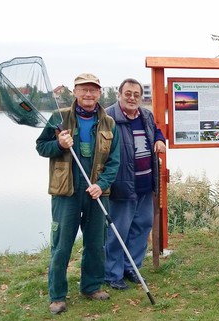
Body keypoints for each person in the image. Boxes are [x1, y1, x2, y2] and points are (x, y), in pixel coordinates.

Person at [36, 73, 120, 314]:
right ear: (75, 91)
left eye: (93, 90)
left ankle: (91, 286)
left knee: (95, 243)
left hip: (96, 193)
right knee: (62, 245)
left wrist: (101, 185)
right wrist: (59, 145)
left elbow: (114, 161)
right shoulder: (59, 117)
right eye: (83, 89)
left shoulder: (108, 123)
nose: (88, 94)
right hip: (66, 192)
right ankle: (57, 295)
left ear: (100, 93)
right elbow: (41, 147)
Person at [104, 78, 166, 290]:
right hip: (121, 186)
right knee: (118, 231)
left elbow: (156, 131)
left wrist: (160, 140)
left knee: (142, 226)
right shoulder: (108, 117)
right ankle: (113, 274)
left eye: (136, 94)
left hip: (145, 185)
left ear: (141, 97)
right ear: (119, 94)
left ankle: (132, 268)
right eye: (128, 93)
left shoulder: (145, 115)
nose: (132, 98)